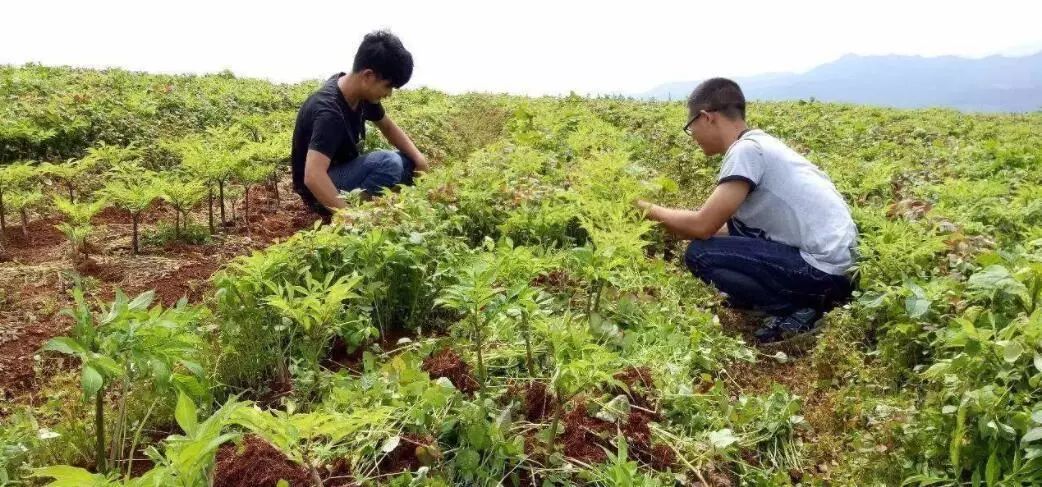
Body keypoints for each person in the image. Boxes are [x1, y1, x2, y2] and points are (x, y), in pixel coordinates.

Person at [636, 78, 858, 343]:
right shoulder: (761, 144)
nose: (691, 135)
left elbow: (702, 225)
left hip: (821, 271)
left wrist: (641, 207)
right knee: (710, 245)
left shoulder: (746, 151)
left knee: (701, 255)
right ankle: (801, 301)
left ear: (706, 117)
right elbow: (725, 227)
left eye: (689, 125)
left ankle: (796, 310)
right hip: (840, 270)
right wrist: (667, 231)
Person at [291, 30, 429, 220]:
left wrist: (419, 160)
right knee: (389, 163)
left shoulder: (359, 94)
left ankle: (373, 210)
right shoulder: (329, 111)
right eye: (388, 86)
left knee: (408, 162)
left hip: (342, 172)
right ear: (368, 76)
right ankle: (359, 216)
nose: (389, 94)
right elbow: (313, 176)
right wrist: (350, 219)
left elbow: (388, 127)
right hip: (319, 188)